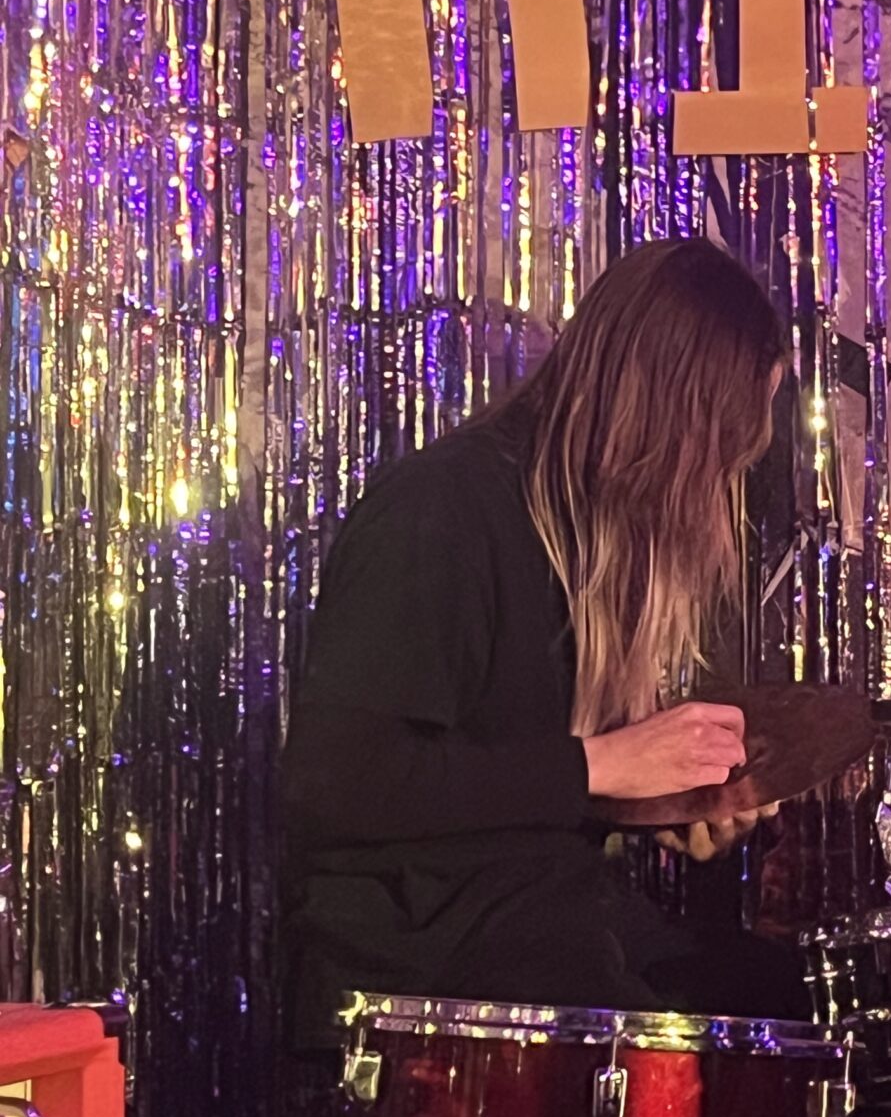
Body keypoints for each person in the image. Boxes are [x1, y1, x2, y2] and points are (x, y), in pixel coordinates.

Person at [280, 237, 809, 1049]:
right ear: (671, 416)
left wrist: (664, 800)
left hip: (544, 925)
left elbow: (510, 772)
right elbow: (337, 783)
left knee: (782, 996)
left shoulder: (580, 532)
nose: (722, 480)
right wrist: (599, 766)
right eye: (723, 445)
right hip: (427, 964)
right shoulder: (443, 511)